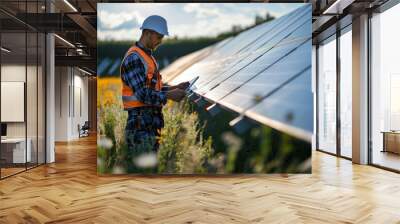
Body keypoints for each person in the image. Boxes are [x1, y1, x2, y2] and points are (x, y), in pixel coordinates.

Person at [120, 15, 189, 159]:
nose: (160, 41)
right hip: (140, 125)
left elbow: (152, 89)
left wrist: (173, 88)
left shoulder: (147, 57)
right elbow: (142, 94)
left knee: (150, 168)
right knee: (141, 171)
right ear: (148, 33)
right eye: (159, 37)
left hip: (149, 123)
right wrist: (170, 96)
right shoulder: (134, 58)